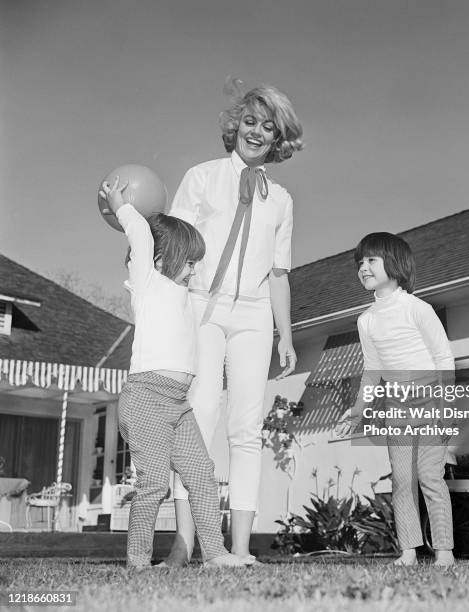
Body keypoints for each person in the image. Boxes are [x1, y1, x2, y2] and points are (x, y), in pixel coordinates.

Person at [167, 82, 304, 565]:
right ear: (235, 126)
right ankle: (185, 545)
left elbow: (279, 273)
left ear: (278, 140)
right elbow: (174, 244)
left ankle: (240, 548)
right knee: (198, 419)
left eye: (268, 128)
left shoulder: (282, 200)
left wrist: (284, 334)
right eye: (250, 121)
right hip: (202, 305)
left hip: (253, 315)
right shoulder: (201, 177)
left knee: (246, 429)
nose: (256, 132)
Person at [99, 177, 249, 570]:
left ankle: (215, 554)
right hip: (146, 398)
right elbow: (143, 239)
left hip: (178, 405)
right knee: (154, 484)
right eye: (190, 260)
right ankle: (137, 561)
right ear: (163, 260)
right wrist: (123, 207)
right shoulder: (148, 285)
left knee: (202, 474)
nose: (194, 267)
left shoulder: (186, 296)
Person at [335, 232, 455, 567]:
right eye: (360, 262)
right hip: (396, 407)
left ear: (395, 264)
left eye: (371, 260)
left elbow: (443, 358)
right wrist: (359, 408)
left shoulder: (418, 309)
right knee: (403, 481)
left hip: (431, 401)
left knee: (430, 476)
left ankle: (444, 552)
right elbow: (372, 369)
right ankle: (408, 552)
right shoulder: (367, 320)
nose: (363, 267)